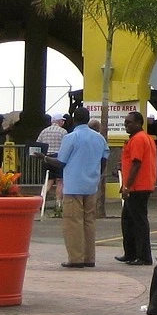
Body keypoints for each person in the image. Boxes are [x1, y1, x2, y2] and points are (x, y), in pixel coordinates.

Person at [55, 107, 109, 268]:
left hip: (73, 186)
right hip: (91, 184)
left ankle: (76, 258)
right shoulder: (99, 138)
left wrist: (44, 158)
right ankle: (89, 257)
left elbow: (61, 161)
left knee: (73, 222)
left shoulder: (71, 137)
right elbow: (104, 158)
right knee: (89, 222)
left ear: (74, 119)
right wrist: (97, 174)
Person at [116, 110, 157, 266]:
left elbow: (136, 162)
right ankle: (130, 252)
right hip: (138, 185)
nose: (126, 125)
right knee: (128, 220)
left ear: (139, 123)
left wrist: (127, 185)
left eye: (129, 122)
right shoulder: (142, 138)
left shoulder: (138, 139)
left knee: (138, 221)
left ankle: (143, 256)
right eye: (125, 122)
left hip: (138, 186)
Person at [37, 113, 68, 217]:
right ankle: (58, 205)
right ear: (59, 121)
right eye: (62, 121)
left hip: (46, 158)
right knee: (60, 181)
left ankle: (42, 202)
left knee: (48, 181)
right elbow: (67, 145)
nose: (63, 122)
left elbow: (38, 143)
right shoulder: (63, 132)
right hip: (58, 158)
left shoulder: (44, 131)